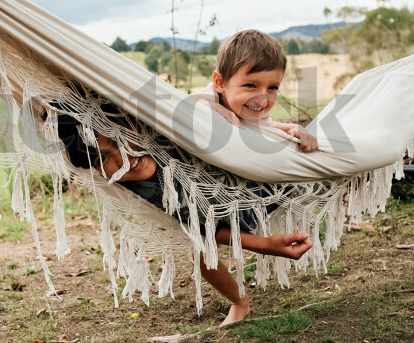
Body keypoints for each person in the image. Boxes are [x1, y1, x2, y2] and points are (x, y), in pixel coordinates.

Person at [54, 112, 313, 326]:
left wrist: (282, 129)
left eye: (121, 139)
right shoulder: (137, 185)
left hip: (273, 179)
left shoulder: (168, 135)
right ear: (97, 170)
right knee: (199, 252)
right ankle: (239, 302)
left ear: (134, 126)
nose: (123, 157)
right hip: (232, 214)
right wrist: (263, 244)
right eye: (103, 158)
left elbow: (229, 128)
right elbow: (200, 229)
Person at [192, 29, 319, 153]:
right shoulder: (210, 96)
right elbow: (183, 105)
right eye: (250, 86)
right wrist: (213, 107)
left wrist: (293, 127)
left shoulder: (255, 110)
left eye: (272, 88)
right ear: (220, 82)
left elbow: (266, 127)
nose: (262, 102)